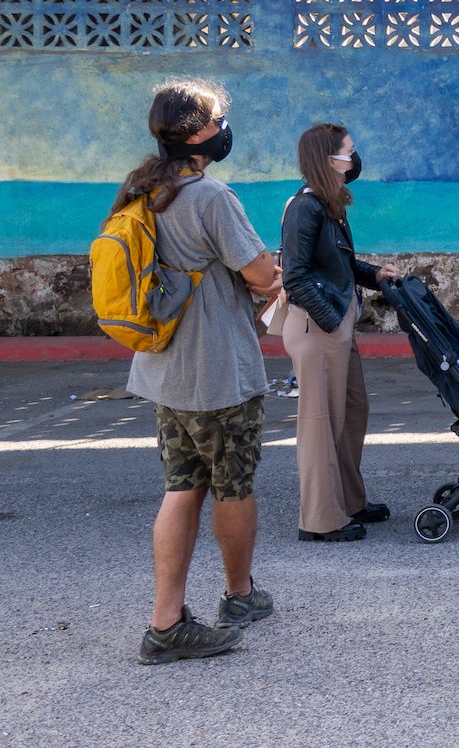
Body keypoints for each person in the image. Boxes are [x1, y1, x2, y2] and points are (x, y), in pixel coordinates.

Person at [115, 80, 282, 664]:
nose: (223, 129)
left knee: (181, 488)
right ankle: (238, 595)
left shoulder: (145, 192)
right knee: (233, 485)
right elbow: (261, 275)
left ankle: (167, 621)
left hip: (165, 371)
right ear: (195, 133)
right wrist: (269, 274)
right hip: (217, 372)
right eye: (216, 120)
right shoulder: (209, 196)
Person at [280, 123, 402, 543]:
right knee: (319, 423)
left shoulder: (330, 205)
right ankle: (320, 519)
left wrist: (374, 274)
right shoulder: (305, 207)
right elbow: (294, 276)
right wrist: (331, 320)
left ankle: (348, 500)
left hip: (335, 323)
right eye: (349, 152)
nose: (354, 159)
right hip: (319, 328)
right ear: (327, 159)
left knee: (351, 413)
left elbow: (339, 264)